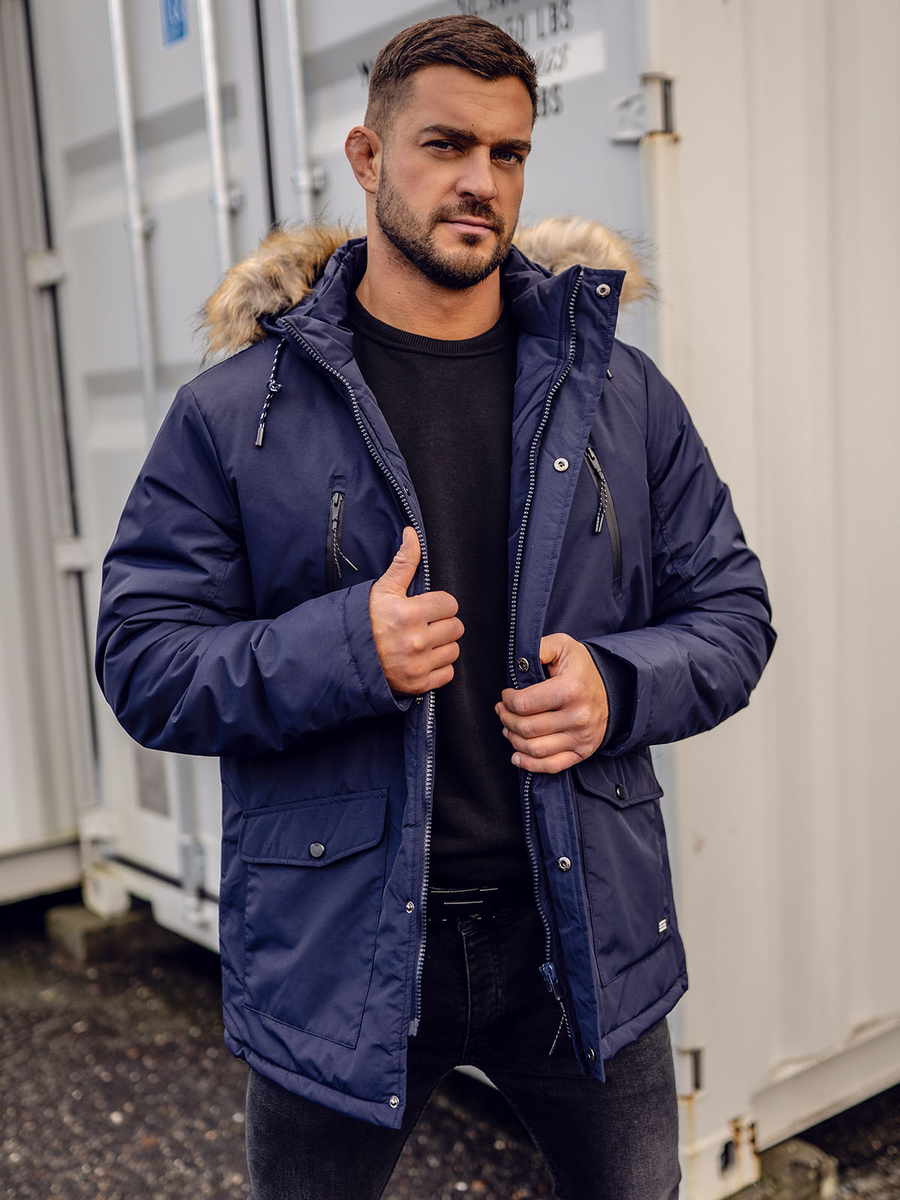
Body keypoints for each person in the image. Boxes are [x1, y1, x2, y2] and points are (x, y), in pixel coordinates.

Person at [95, 14, 775, 1200]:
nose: (481, 181)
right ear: (367, 158)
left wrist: (617, 687)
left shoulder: (618, 393)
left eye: (508, 153)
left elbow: (732, 611)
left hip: (576, 935)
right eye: (446, 145)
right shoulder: (236, 412)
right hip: (343, 945)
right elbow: (143, 660)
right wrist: (343, 649)